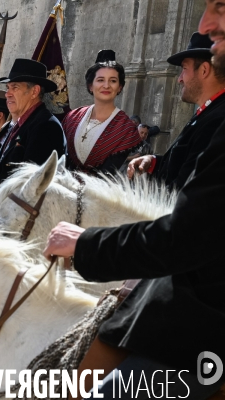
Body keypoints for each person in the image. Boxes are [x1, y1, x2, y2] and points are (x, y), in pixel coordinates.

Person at [40, 7, 225, 397]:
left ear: (205, 70)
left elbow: (186, 233)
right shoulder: (207, 116)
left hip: (201, 308)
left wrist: (87, 243)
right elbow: (187, 170)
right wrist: (156, 162)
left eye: (220, 16)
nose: (207, 25)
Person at [127, 32, 225, 190]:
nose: (180, 79)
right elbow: (183, 164)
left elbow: (186, 194)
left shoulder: (218, 121)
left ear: (204, 70)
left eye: (184, 69)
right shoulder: (208, 111)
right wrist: (154, 162)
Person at [0, 60, 66, 197]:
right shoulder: (17, 125)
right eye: (8, 88)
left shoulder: (46, 126)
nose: (7, 94)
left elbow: (26, 186)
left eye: (15, 87)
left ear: (34, 91)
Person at [62, 50, 141, 173]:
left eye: (113, 81)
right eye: (100, 80)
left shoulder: (126, 128)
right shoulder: (73, 117)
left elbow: (109, 174)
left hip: (99, 190)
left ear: (120, 87)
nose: (106, 85)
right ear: (90, 85)